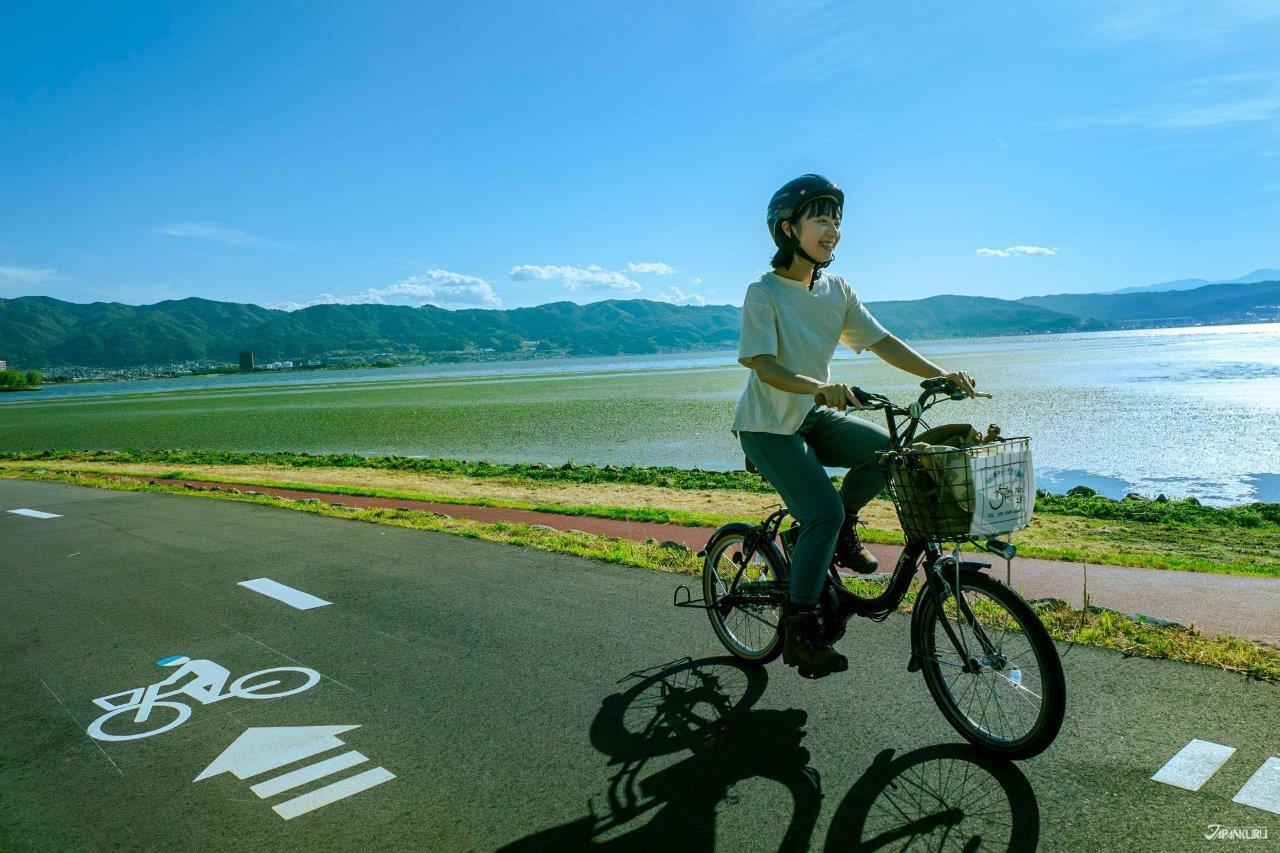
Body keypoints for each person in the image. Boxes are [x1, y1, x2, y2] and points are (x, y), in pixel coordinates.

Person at [731, 173, 977, 679]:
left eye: (837, 220)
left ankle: (838, 531)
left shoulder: (836, 290)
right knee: (821, 512)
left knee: (888, 455)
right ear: (788, 229)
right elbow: (763, 365)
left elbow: (881, 341)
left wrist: (939, 374)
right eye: (821, 219)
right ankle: (801, 630)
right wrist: (819, 387)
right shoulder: (764, 293)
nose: (833, 230)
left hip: (809, 415)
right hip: (767, 425)